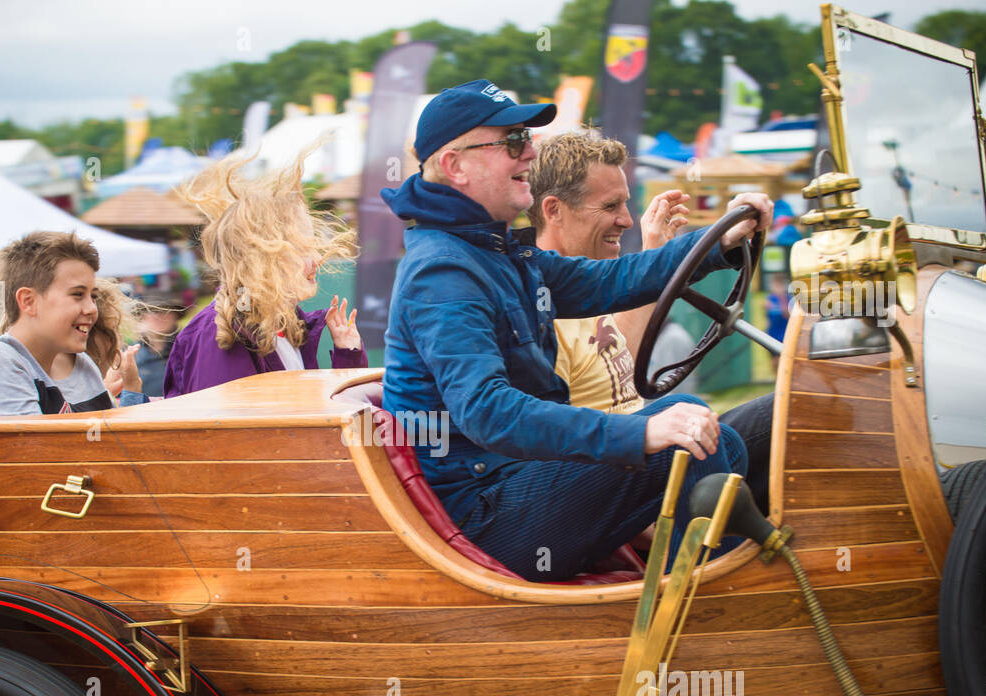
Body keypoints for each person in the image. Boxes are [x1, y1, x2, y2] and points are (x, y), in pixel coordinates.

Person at [380, 79, 772, 582]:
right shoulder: (444, 271)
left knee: (742, 429)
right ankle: (696, 620)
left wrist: (721, 240)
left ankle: (730, 590)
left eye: (530, 141)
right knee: (693, 433)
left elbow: (613, 279)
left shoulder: (497, 254)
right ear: (456, 166)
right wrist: (639, 430)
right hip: (486, 513)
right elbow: (486, 410)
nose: (529, 156)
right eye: (513, 143)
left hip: (521, 481)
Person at [526, 130, 774, 514]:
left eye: (625, 204)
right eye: (610, 206)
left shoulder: (593, 282)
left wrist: (656, 249)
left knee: (788, 410)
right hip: (609, 478)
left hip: (642, 456)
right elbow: (548, 446)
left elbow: (612, 365)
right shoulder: (541, 309)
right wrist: (635, 530)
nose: (626, 220)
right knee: (702, 421)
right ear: (553, 210)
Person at [163, 150, 365, 397]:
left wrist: (348, 353)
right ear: (263, 258)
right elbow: (224, 432)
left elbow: (319, 414)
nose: (316, 259)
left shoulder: (287, 326)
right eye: (302, 249)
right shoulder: (220, 333)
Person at [0, 231, 144, 416]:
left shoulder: (80, 362)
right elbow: (34, 446)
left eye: (93, 296)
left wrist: (131, 393)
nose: (92, 308)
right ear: (28, 301)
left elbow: (115, 439)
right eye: (77, 294)